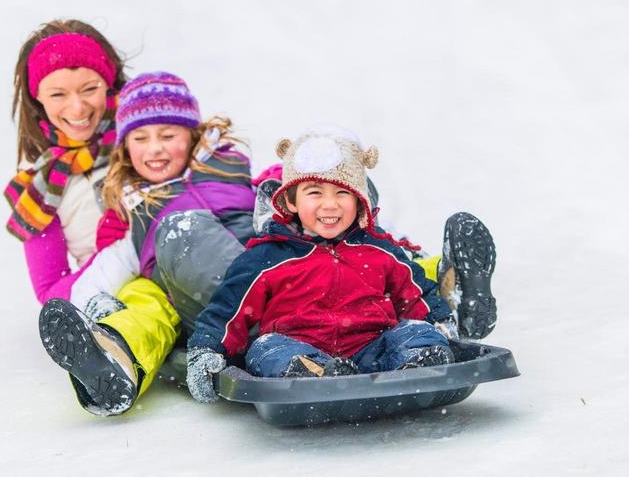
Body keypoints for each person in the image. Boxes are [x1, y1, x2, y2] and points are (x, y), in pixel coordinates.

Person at [186, 128, 470, 402]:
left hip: (372, 349)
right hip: (296, 347)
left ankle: (419, 363)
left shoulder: (378, 249)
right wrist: (206, 351)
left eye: (342, 193)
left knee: (415, 333)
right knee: (265, 349)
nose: (330, 205)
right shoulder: (267, 256)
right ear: (290, 200)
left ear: (360, 200)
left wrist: (441, 326)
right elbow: (227, 311)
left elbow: (416, 293)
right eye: (314, 192)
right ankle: (312, 374)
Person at [36, 71, 256, 415]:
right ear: (125, 147)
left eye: (168, 135)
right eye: (140, 138)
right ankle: (112, 357)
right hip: (207, 310)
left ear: (193, 136)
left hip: (269, 279)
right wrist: (94, 304)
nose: (154, 148)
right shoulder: (134, 214)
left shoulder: (230, 169)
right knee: (157, 278)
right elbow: (105, 268)